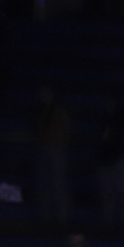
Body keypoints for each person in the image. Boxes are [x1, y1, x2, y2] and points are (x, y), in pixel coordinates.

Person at [34, 86, 70, 223]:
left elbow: (67, 131)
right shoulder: (41, 111)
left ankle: (61, 219)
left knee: (57, 185)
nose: (43, 95)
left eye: (46, 92)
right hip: (43, 150)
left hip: (56, 150)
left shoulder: (59, 111)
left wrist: (60, 146)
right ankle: (46, 218)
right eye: (42, 92)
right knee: (45, 185)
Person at [96, 98, 124, 225]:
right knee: (107, 194)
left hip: (119, 158)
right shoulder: (102, 118)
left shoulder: (123, 120)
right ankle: (108, 223)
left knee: (123, 193)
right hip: (105, 159)